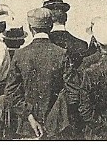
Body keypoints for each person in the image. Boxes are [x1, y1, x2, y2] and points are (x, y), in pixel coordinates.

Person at [5, 8, 67, 139]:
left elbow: (11, 93)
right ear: (50, 27)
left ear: (30, 27)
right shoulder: (61, 53)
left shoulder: (20, 55)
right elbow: (71, 91)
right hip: (57, 128)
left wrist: (30, 117)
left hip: (28, 127)